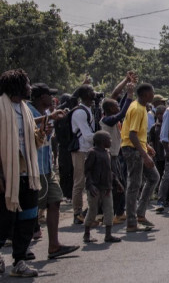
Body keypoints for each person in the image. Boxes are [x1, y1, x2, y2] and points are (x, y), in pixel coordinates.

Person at [0, 69, 44, 277]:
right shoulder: (0, 107)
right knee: (4, 220)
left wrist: (42, 134)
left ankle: (19, 261)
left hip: (28, 175)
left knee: (28, 218)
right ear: (17, 86)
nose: (30, 87)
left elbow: (31, 142)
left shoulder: (25, 110)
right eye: (27, 83)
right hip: (6, 176)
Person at [27, 83, 79, 259]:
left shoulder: (47, 114)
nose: (52, 98)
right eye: (49, 95)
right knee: (30, 209)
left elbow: (47, 139)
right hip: (32, 168)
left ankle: (54, 245)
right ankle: (22, 248)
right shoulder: (28, 112)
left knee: (55, 201)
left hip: (46, 167)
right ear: (42, 98)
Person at [121, 83, 159, 233]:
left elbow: (137, 133)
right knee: (134, 185)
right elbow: (132, 134)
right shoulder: (136, 108)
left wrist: (147, 147)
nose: (153, 95)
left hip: (138, 148)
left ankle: (140, 213)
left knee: (154, 177)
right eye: (151, 93)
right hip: (132, 150)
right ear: (144, 95)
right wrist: (145, 156)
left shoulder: (142, 107)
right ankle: (131, 222)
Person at [100, 80, 135, 225]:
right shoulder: (107, 120)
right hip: (109, 157)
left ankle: (119, 212)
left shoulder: (111, 119)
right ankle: (112, 213)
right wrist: (129, 95)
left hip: (116, 156)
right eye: (116, 106)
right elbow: (121, 114)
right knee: (117, 186)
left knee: (120, 185)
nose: (118, 107)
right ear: (109, 109)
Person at [83, 131, 121, 244]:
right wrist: (90, 185)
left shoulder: (107, 153)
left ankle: (108, 235)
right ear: (101, 141)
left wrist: (117, 182)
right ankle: (86, 234)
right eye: (108, 139)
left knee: (109, 211)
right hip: (95, 188)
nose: (111, 141)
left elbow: (109, 171)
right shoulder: (92, 153)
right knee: (93, 211)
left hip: (106, 187)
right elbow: (87, 171)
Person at [70, 84, 96, 224]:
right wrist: (101, 136)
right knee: (79, 181)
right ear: (86, 95)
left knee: (89, 180)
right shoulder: (80, 112)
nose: (94, 94)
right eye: (92, 91)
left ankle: (89, 209)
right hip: (80, 150)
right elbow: (86, 135)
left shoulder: (89, 109)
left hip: (87, 149)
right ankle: (77, 212)